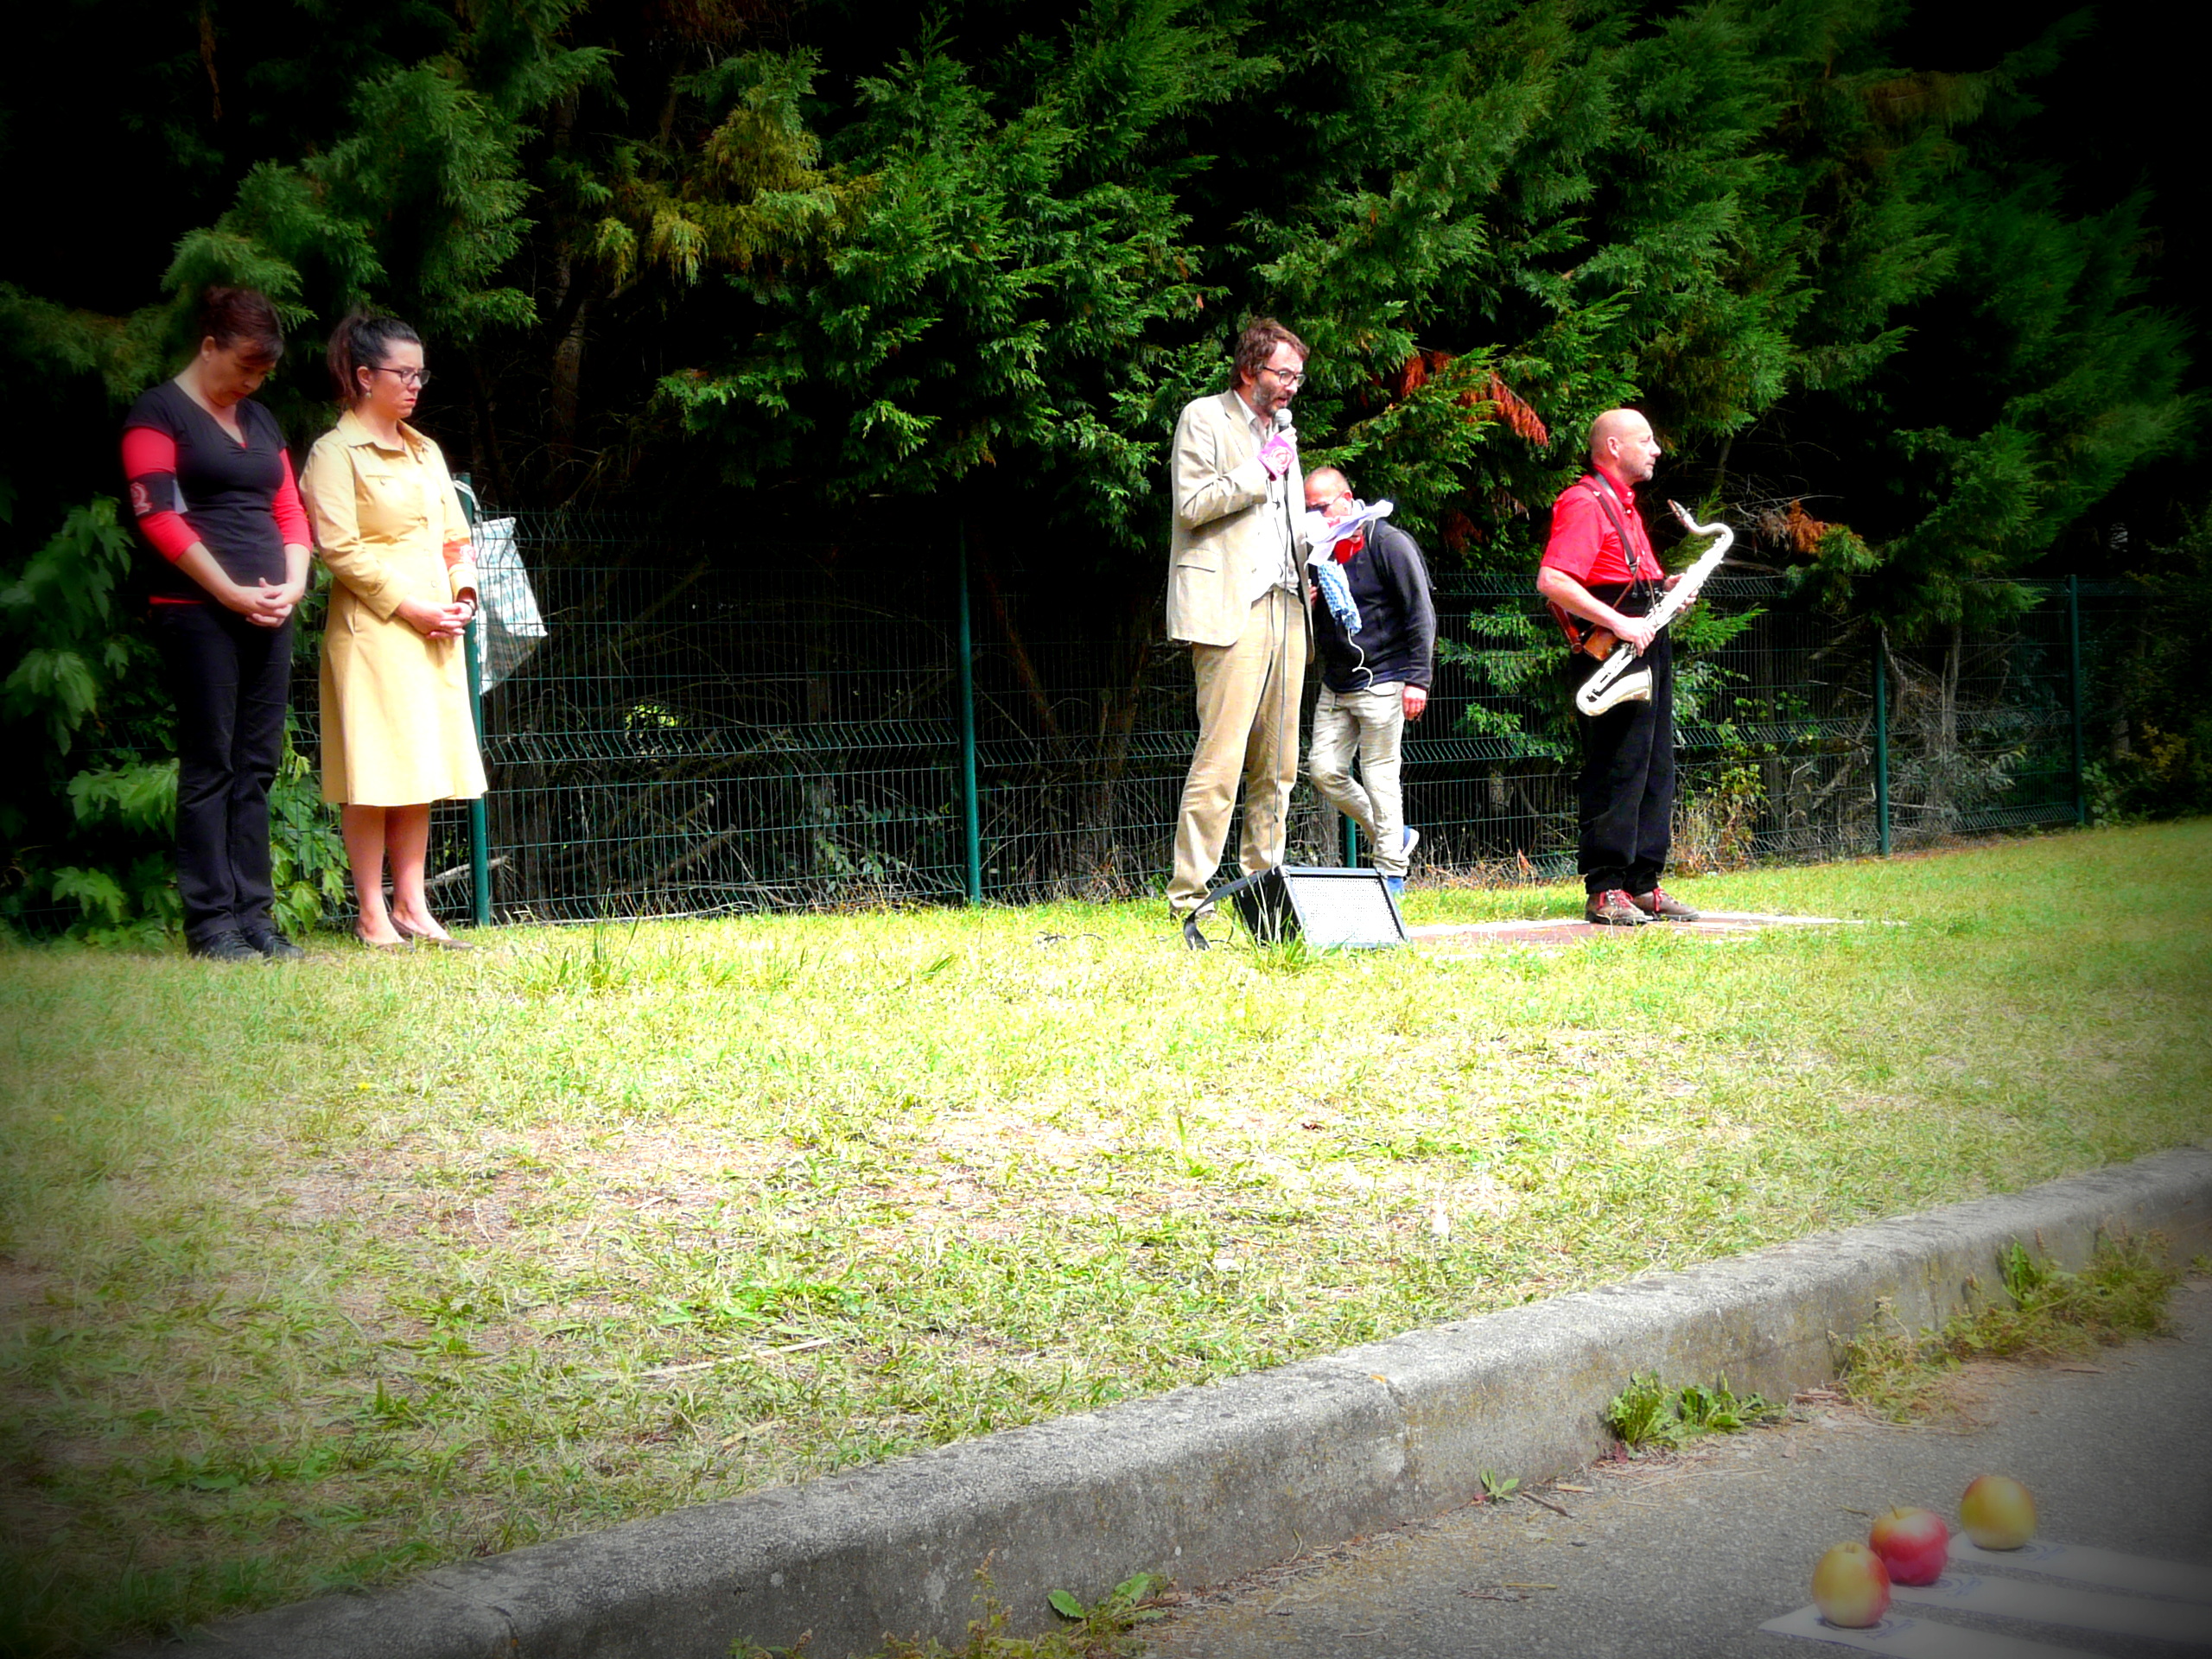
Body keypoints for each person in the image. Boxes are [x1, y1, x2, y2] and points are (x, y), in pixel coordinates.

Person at [122, 288, 313, 962]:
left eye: (261, 375)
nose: (249, 383)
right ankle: (212, 925)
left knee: (257, 766)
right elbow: (158, 515)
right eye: (242, 368)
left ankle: (256, 919)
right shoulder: (157, 412)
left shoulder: (260, 419)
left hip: (268, 608)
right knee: (212, 764)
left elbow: (290, 511)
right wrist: (230, 591)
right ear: (208, 347)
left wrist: (291, 585)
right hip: (196, 611)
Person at [301, 313, 486, 950]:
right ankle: (372, 912)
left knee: (421, 765)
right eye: (403, 374)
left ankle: (414, 906)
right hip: (375, 632)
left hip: (438, 629)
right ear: (362, 377)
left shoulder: (426, 450)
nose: (415, 386)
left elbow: (456, 536)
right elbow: (339, 550)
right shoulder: (334, 452)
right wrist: (412, 607)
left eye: (420, 373)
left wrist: (462, 595)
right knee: (375, 769)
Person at [1164, 317, 1311, 945]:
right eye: (1283, 375)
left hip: (1287, 604)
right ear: (1250, 369)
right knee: (1221, 762)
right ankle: (1190, 902)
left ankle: (1263, 895)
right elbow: (1192, 505)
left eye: (1299, 378)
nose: (1291, 389)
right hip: (1232, 606)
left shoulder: (1284, 433)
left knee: (1278, 764)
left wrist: (1326, 544)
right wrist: (1260, 471)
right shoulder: (1205, 418)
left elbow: (1289, 521)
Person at [1534, 408, 1699, 925]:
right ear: (1611, 447)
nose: (1656, 450)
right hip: (1613, 648)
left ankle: (1642, 883)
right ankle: (1606, 887)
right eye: (1646, 440)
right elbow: (1554, 580)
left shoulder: (1624, 506)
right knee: (1616, 764)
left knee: (1654, 765)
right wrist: (1623, 624)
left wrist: (1665, 590)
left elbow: (1623, 576)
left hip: (1645, 636)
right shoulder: (1584, 502)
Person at [1302, 467, 1434, 898]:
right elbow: (1327, 621)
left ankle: (1391, 874)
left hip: (1387, 679)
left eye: (1321, 507)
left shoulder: (1388, 542)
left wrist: (1418, 679)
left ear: (1347, 498)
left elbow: (1420, 612)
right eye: (1308, 510)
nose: (1316, 517)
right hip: (1338, 683)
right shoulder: (1319, 553)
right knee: (1324, 771)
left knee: (1381, 778)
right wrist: (1310, 602)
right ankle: (1393, 834)